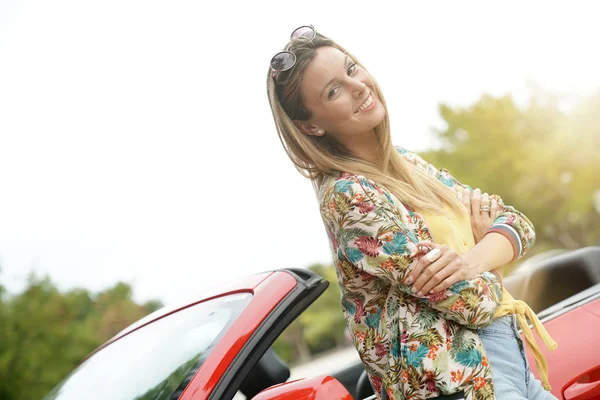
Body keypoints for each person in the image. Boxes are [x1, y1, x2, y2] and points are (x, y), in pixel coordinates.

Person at [266, 25, 558, 400]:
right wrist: (490, 255)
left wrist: (469, 263)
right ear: (311, 125)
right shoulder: (348, 196)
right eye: (334, 91)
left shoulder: (408, 164)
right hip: (461, 381)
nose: (357, 86)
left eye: (351, 69)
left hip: (510, 356)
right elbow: (472, 302)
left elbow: (517, 224)